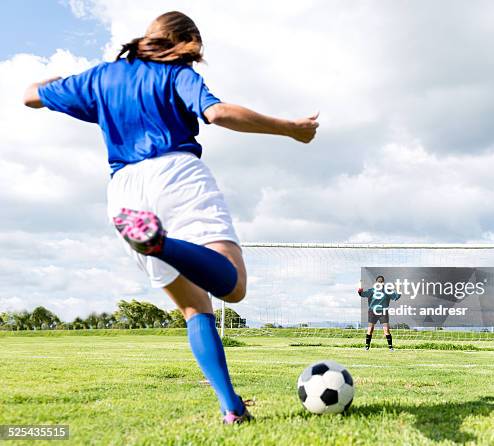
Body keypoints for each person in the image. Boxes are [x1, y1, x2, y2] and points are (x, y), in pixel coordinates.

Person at [23, 11, 318, 424]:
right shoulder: (176, 74)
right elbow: (216, 114)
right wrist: (289, 128)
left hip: (124, 192)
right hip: (177, 175)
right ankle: (159, 242)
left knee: (195, 308)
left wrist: (60, 80)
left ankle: (232, 408)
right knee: (233, 287)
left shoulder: (100, 77)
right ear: (185, 41)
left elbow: (31, 96)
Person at [358, 275, 401, 350]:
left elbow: (396, 296)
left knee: (386, 330)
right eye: (379, 281)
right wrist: (360, 290)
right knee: (370, 329)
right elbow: (362, 294)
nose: (380, 283)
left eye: (382, 281)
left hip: (383, 312)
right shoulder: (372, 290)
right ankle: (367, 346)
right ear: (376, 282)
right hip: (372, 312)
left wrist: (398, 288)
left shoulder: (387, 291)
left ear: (383, 283)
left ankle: (390, 347)